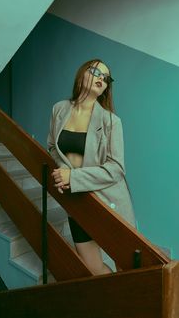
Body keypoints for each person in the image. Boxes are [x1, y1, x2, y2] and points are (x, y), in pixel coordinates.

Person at [47, 58, 135, 275]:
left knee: (126, 267)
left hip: (110, 201)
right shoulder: (59, 109)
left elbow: (116, 168)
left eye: (106, 77)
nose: (101, 78)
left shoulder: (111, 121)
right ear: (82, 73)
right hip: (78, 201)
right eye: (96, 71)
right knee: (91, 266)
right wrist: (63, 174)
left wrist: (73, 178)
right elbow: (51, 146)